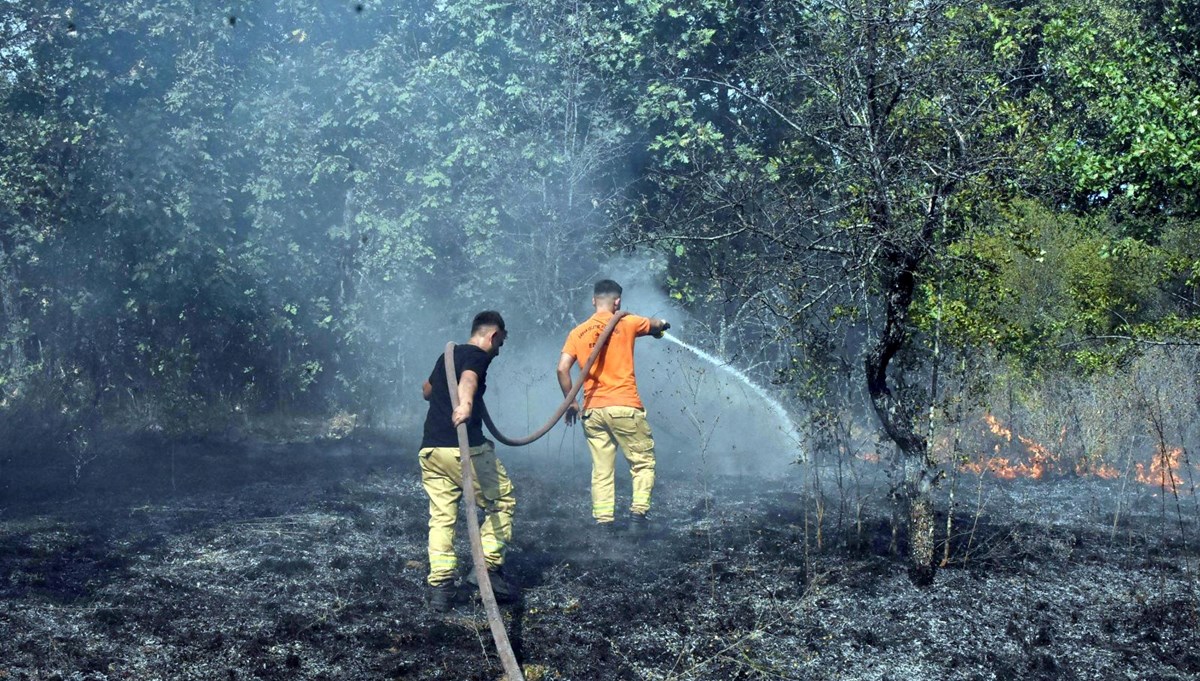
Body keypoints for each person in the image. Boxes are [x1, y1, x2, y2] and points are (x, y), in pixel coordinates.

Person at [418, 310, 516, 612]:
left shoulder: (448, 355)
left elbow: (427, 391)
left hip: (432, 450)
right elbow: (469, 378)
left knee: (442, 517)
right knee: (502, 501)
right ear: (493, 335)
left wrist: (452, 397)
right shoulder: (476, 355)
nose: (497, 352)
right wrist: (466, 405)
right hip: (464, 450)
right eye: (499, 345)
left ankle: (441, 589)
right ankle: (485, 570)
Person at [557, 280, 669, 533]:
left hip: (593, 411)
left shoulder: (578, 332)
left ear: (593, 300)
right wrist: (662, 325)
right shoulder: (626, 322)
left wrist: (571, 402)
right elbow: (655, 324)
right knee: (642, 463)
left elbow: (562, 368)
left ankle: (603, 524)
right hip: (625, 407)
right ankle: (638, 518)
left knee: (602, 469)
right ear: (618, 302)